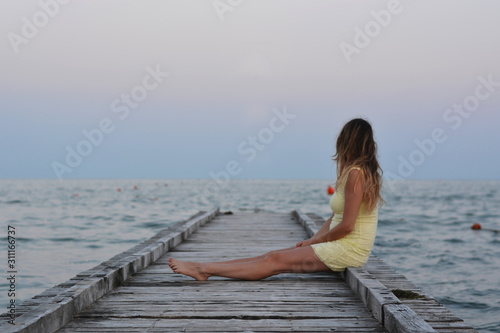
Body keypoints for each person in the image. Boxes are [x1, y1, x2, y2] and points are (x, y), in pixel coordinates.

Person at [169, 118, 384, 281]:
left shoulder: (357, 174)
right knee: (272, 255)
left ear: (346, 142)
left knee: (275, 261)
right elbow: (335, 217)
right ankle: (204, 266)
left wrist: (315, 242)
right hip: (340, 244)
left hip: (349, 249)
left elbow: (347, 226)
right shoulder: (355, 173)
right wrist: (311, 241)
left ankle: (204, 270)